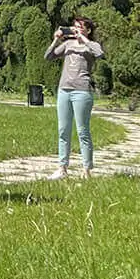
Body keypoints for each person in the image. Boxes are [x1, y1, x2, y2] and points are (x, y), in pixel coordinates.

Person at [47, 15, 105, 178]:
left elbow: (100, 54)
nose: (76, 29)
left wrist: (83, 39)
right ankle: (62, 168)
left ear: (88, 30)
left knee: (82, 131)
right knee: (63, 130)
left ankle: (86, 170)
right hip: (64, 90)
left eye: (80, 27)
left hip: (82, 91)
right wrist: (56, 39)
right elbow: (48, 56)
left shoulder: (92, 45)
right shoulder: (68, 44)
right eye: (75, 27)